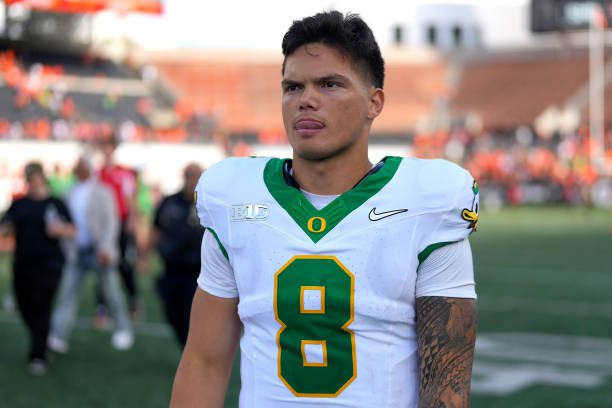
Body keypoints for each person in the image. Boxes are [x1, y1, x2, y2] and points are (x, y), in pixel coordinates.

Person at [171, 10, 479, 407]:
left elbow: (447, 385)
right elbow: (204, 364)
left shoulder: (427, 204)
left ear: (374, 102)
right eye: (293, 87)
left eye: (330, 84)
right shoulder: (235, 199)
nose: (307, 100)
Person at [47, 157, 134, 354]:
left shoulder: (103, 192)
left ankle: (123, 328)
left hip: (98, 251)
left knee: (111, 292)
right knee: (67, 293)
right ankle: (58, 333)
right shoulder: (69, 192)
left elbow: (111, 223)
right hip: (76, 251)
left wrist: (105, 247)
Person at [0, 162, 75, 376]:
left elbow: (72, 229)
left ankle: (38, 354)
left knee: (42, 306)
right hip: (23, 264)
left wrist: (60, 229)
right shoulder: (19, 204)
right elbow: (6, 225)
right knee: (25, 306)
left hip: (50, 264)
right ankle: (40, 339)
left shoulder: (56, 204)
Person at [150, 163, 204, 346]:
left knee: (192, 315)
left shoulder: (209, 203)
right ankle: (185, 344)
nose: (192, 180)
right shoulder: (169, 202)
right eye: (189, 175)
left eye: (196, 176)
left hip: (198, 273)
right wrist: (145, 255)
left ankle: (192, 350)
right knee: (172, 313)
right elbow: (156, 229)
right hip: (171, 268)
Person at [96, 136, 141, 322]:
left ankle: (133, 301)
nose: (107, 150)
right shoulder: (97, 174)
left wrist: (132, 219)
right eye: (103, 146)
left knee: (124, 264)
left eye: (109, 147)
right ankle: (102, 308)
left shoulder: (123, 173)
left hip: (121, 223)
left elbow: (130, 197)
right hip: (103, 225)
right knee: (102, 264)